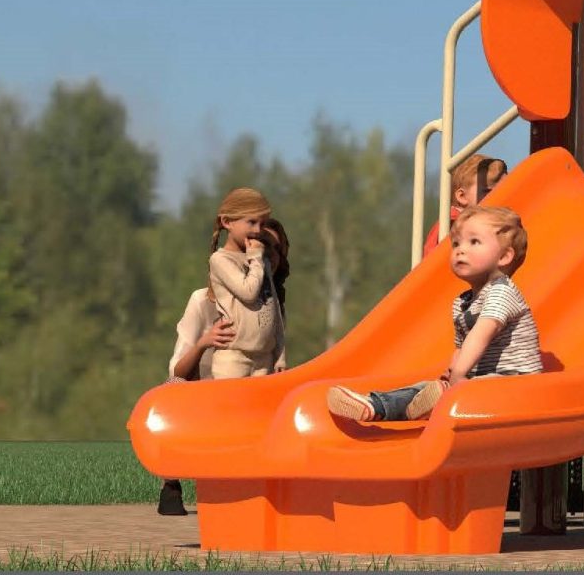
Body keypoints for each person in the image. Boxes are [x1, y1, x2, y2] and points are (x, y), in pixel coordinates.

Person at [327, 205, 541, 423]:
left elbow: (482, 333)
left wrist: (458, 374)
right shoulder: (462, 303)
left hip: (517, 385)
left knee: (465, 389)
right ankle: (376, 405)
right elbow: (462, 348)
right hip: (480, 381)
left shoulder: (502, 291)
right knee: (427, 389)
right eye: (456, 243)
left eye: (474, 242)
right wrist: (452, 371)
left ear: (504, 256)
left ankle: (437, 403)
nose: (460, 249)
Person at [157, 216, 289, 514]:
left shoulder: (271, 306)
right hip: (205, 389)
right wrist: (204, 342)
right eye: (257, 248)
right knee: (172, 391)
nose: (264, 256)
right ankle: (171, 481)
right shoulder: (203, 300)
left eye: (271, 250)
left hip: (251, 387)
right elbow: (177, 370)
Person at [204, 188, 285, 379]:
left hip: (264, 360)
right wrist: (256, 259)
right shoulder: (221, 260)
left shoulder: (259, 261)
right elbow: (248, 293)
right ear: (227, 222)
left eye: (262, 223)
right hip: (234, 359)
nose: (258, 230)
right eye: (251, 222)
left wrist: (280, 355)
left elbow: (273, 310)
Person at [424, 154, 509, 257]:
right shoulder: (454, 225)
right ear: (462, 196)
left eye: (504, 189)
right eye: (488, 191)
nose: (498, 196)